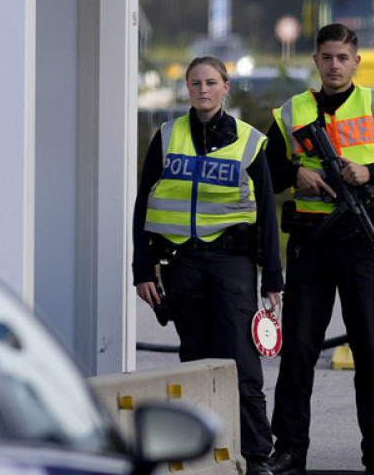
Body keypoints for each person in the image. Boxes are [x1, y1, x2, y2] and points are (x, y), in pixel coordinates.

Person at [264, 23, 374, 475]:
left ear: (356, 62)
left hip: (361, 241)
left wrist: (371, 172)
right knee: (298, 350)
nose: (334, 65)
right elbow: (264, 172)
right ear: (315, 61)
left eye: (343, 58)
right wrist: (295, 173)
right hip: (310, 243)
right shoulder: (292, 111)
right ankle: (290, 451)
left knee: (371, 352)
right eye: (327, 57)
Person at [132, 55, 284, 475]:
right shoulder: (166, 137)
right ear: (187, 87)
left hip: (233, 262)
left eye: (211, 82)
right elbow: (143, 203)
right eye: (195, 82)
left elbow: (266, 211)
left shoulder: (250, 142)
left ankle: (256, 456)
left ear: (225, 88)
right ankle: (202, 453)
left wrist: (272, 276)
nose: (202, 89)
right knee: (195, 358)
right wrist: (141, 269)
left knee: (241, 360)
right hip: (182, 263)